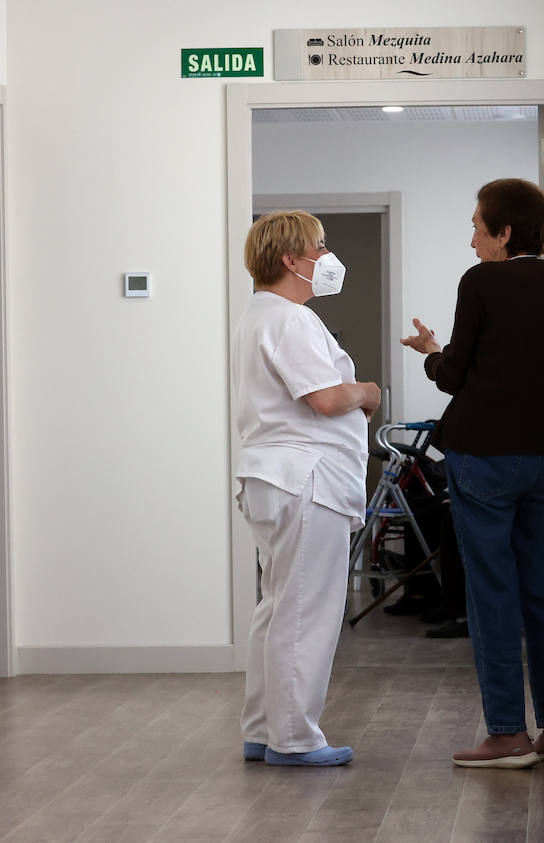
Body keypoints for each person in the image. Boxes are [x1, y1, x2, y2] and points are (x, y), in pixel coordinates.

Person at [401, 178, 544, 769]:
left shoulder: (480, 281)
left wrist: (431, 351)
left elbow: (456, 374)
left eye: (479, 227)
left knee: (492, 594)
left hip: (484, 456)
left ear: (505, 232)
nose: (473, 237)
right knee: (542, 594)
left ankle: (507, 734)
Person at [232, 210, 381, 767]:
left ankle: (264, 728)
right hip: (304, 480)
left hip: (275, 478)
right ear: (292, 260)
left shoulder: (259, 314)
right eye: (319, 248)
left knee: (277, 608)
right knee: (306, 611)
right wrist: (366, 390)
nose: (327, 257)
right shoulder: (290, 319)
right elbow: (324, 398)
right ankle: (294, 739)